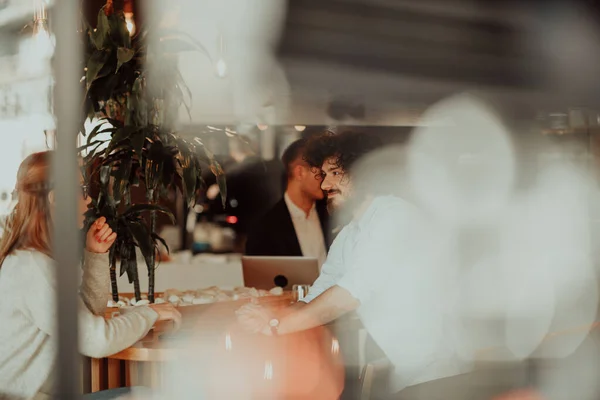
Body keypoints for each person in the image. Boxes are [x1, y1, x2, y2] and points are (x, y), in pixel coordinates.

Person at [237, 132, 471, 399]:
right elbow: (320, 292)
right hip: (407, 373)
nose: (325, 184)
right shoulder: (351, 233)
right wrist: (271, 318)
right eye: (323, 175)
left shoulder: (394, 217)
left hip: (441, 373)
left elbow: (349, 294)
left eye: (335, 172)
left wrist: (278, 326)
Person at [0, 152, 181, 400]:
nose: (88, 200)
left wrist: (95, 255)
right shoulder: (33, 266)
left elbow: (88, 320)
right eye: (81, 189)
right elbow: (97, 341)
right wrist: (151, 312)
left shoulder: (42, 258)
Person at [245, 138, 329, 266]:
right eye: (321, 174)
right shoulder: (264, 228)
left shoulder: (332, 216)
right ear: (300, 172)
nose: (326, 182)